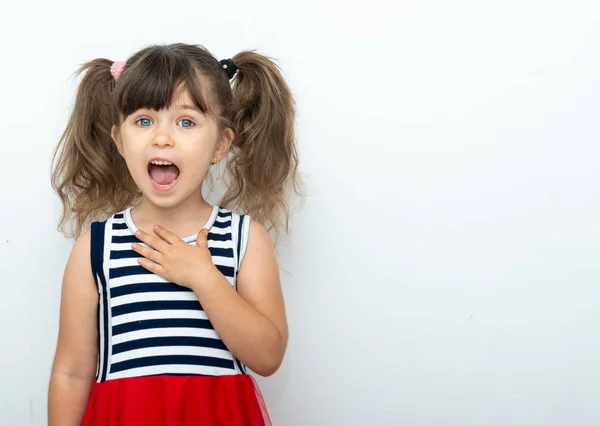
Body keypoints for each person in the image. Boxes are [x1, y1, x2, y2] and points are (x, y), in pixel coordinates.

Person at [47, 42, 301, 426]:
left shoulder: (244, 238)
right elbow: (71, 372)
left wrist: (204, 277)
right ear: (119, 141)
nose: (162, 139)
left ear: (221, 143)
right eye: (144, 121)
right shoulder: (96, 247)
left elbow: (267, 356)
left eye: (186, 122)